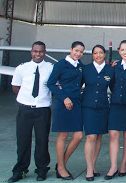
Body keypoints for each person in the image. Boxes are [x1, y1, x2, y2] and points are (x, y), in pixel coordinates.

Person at [8, 41, 53, 183]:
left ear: (45, 52)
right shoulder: (22, 68)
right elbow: (16, 87)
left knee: (42, 141)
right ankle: (20, 170)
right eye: (35, 51)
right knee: (22, 141)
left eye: (40, 51)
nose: (37, 54)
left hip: (43, 110)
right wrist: (28, 99)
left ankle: (41, 170)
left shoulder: (51, 68)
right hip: (25, 110)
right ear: (31, 52)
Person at [47, 41, 85, 180]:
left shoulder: (80, 66)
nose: (78, 54)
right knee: (63, 136)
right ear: (70, 49)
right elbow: (51, 83)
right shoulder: (60, 65)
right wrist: (64, 97)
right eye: (76, 51)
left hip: (76, 102)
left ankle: (61, 163)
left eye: (81, 52)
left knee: (78, 136)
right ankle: (62, 168)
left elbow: (80, 82)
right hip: (63, 103)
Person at [106, 40, 126, 179]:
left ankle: (123, 164)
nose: (125, 52)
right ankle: (113, 166)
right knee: (113, 134)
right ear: (119, 51)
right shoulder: (115, 67)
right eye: (122, 50)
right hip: (115, 105)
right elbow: (112, 84)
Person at [81, 45, 114, 181]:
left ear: (105, 54)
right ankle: (89, 168)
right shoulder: (86, 69)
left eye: (101, 53)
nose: (98, 55)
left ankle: (94, 165)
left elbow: (115, 87)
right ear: (92, 55)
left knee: (99, 137)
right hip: (88, 106)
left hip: (103, 107)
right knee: (91, 137)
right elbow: (77, 85)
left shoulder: (110, 70)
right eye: (95, 53)